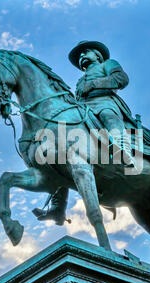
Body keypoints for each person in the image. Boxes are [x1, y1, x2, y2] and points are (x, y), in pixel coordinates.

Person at [33, 40, 135, 225]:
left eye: (85, 52)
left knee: (108, 116)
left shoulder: (108, 64)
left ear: (98, 55)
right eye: (79, 55)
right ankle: (57, 207)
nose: (82, 56)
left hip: (105, 103)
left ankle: (123, 149)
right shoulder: (80, 80)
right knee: (63, 152)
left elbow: (121, 79)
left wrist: (95, 84)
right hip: (85, 110)